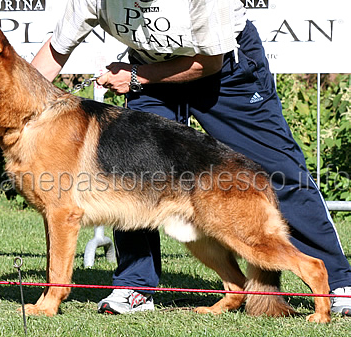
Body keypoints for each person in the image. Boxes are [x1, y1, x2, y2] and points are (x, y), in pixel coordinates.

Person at [32, 0, 351, 315]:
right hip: (149, 69)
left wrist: (136, 77)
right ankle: (135, 286)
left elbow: (207, 64)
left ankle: (338, 282)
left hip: (223, 72)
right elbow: (54, 53)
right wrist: (7, 93)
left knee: (281, 172)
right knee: (130, 171)